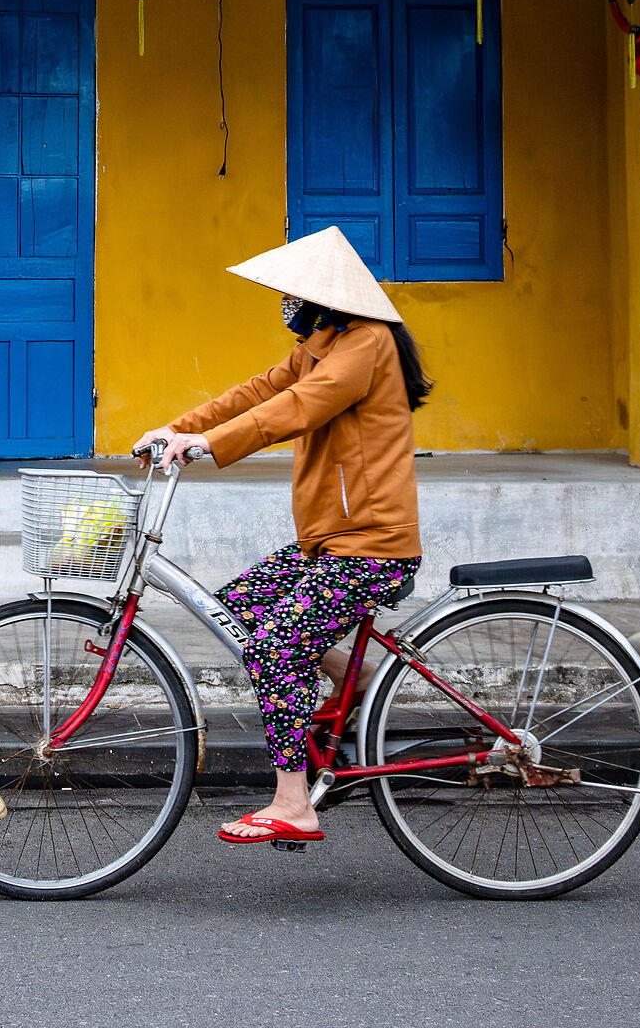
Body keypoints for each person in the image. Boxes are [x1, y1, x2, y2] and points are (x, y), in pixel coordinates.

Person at [136, 226, 431, 846]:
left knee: (275, 647)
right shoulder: (322, 344)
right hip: (331, 541)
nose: (287, 306)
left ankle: (292, 803)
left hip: (371, 546)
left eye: (295, 294)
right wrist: (176, 426)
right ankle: (367, 681)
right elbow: (256, 392)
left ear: (329, 298)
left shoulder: (367, 344)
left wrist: (209, 445)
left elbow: (296, 408)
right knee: (238, 609)